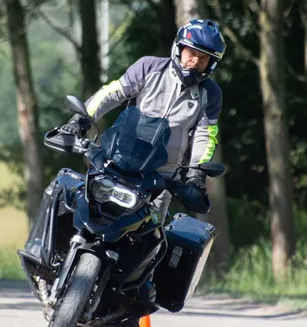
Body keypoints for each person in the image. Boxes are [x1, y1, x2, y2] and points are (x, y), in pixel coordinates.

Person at [58, 18, 227, 221]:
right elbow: (112, 93)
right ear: (179, 49)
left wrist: (197, 173)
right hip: (118, 164)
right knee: (77, 213)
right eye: (191, 53)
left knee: (151, 234)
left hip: (162, 180)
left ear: (211, 63)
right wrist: (81, 119)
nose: (196, 61)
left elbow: (205, 135)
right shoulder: (149, 66)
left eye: (203, 58)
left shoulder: (211, 93)